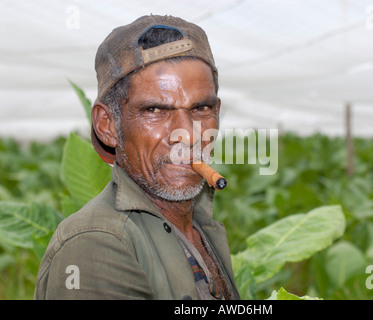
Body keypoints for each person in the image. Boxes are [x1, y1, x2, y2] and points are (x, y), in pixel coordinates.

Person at [34, 14, 240, 300]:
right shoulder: (96, 244)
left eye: (200, 109)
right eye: (155, 110)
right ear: (107, 125)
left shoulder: (200, 227)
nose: (187, 135)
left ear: (216, 112)